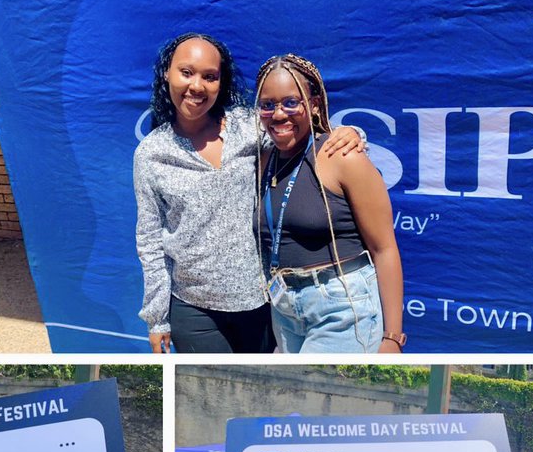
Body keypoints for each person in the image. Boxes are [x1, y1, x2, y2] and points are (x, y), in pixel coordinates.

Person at [135, 34, 364, 353]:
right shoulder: (151, 153)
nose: (197, 86)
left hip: (263, 303)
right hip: (193, 309)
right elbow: (150, 240)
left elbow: (302, 132)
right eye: (186, 72)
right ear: (166, 74)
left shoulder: (248, 127)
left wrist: (351, 133)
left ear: (221, 82)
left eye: (209, 76)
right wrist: (157, 319)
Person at [254, 54, 404, 354]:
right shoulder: (264, 159)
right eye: (268, 105)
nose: (279, 114)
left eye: (291, 102)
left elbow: (384, 248)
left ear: (314, 104)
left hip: (341, 305)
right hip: (283, 308)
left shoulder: (344, 157)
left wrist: (393, 338)